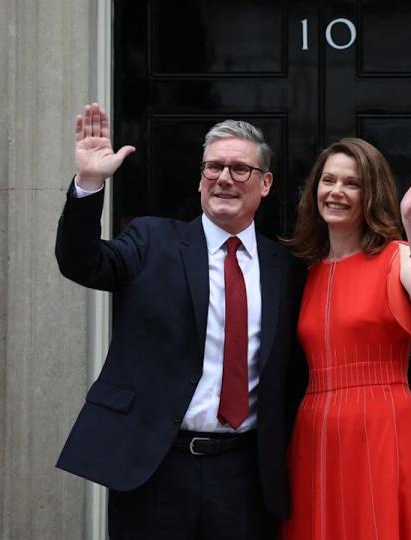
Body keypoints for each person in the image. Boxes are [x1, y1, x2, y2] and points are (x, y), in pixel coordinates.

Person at [55, 103, 301, 539]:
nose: (223, 178)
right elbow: (81, 262)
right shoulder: (152, 240)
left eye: (240, 169)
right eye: (213, 167)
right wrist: (89, 183)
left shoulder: (285, 265)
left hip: (244, 475)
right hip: (155, 468)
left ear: (265, 184)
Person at [281, 138, 411, 539]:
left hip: (380, 421)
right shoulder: (307, 273)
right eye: (328, 180)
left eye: (351, 183)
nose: (336, 192)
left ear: (370, 193)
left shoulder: (396, 256)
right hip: (315, 427)